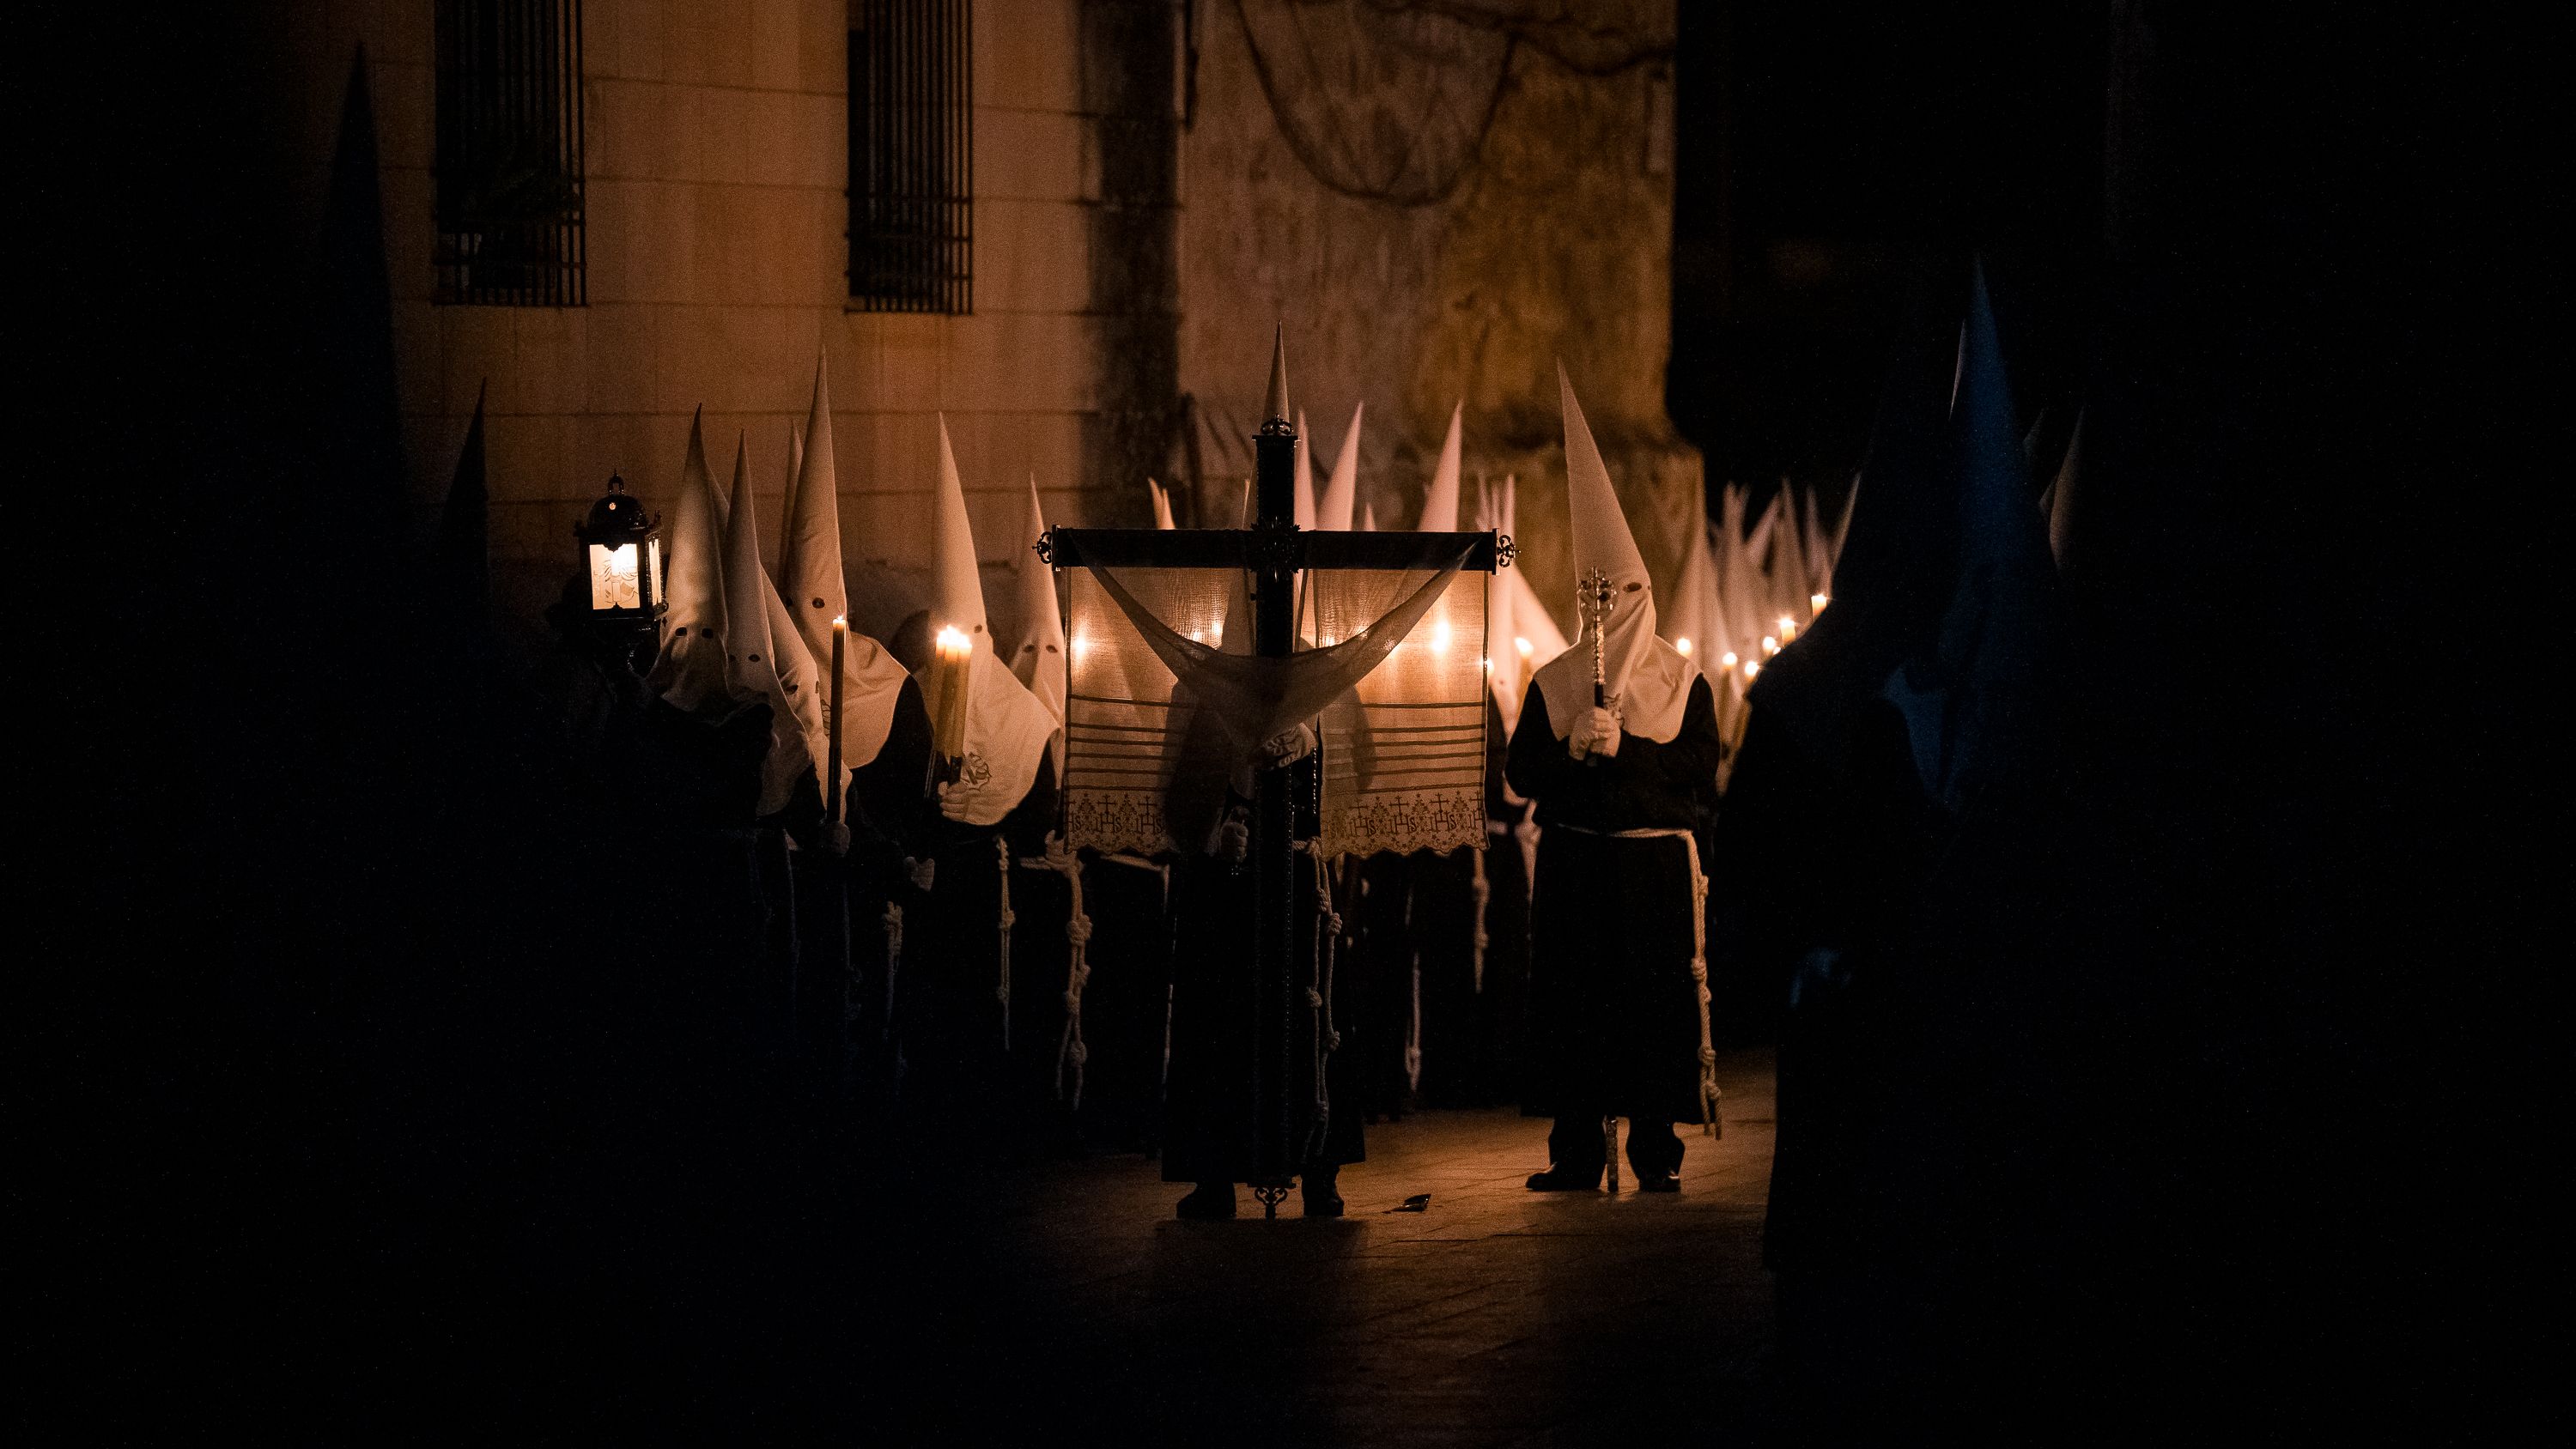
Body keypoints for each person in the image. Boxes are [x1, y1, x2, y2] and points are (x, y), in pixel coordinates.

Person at [1511, 367, 1722, 1192]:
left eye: (1627, 594)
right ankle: (1572, 1152)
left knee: (1651, 1012)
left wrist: (1624, 749)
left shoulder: (1682, 683)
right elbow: (1522, 771)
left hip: (1651, 874)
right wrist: (1571, 751)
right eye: (1599, 597)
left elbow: (1697, 769)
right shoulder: (1556, 682)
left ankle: (1655, 1153)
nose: (1614, 612)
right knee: (1577, 1009)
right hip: (1577, 869)